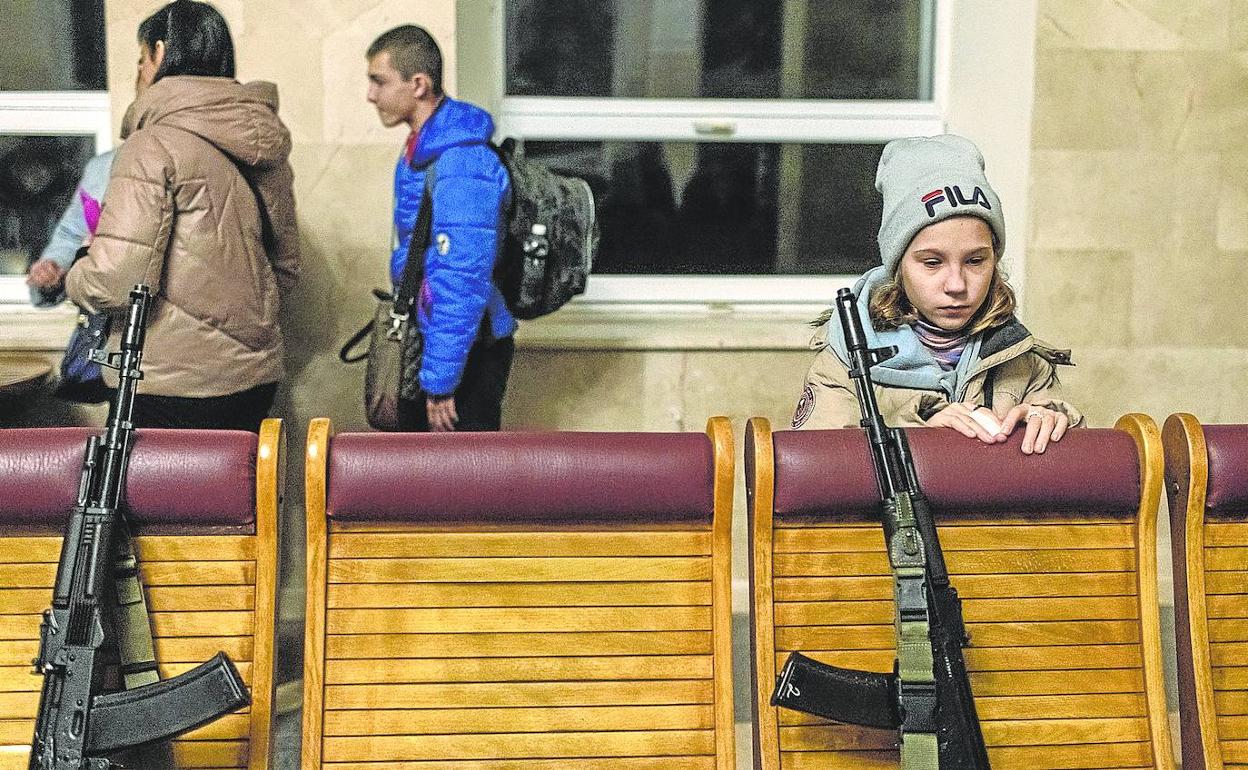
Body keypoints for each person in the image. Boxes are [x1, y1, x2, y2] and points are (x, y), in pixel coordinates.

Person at [65, 0, 299, 432]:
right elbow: (284, 270)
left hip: (165, 384)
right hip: (253, 380)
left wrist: (78, 268)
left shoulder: (151, 146)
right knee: (237, 479)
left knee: (146, 482)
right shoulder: (265, 152)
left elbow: (116, 284)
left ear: (159, 52)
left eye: (140, 60)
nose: (138, 74)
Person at [793, 134, 1082, 454]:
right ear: (898, 266)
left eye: (975, 261)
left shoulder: (1023, 361)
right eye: (932, 263)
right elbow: (821, 471)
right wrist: (919, 437)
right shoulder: (843, 362)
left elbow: (1075, 480)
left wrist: (1055, 426)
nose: (956, 285)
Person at [366, 24, 516, 432]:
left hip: (467, 353)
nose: (371, 95)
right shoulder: (425, 148)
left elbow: (461, 276)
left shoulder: (460, 162)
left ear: (418, 84)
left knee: (461, 471)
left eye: (380, 81)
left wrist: (440, 383)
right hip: (441, 340)